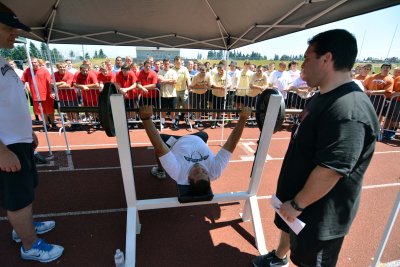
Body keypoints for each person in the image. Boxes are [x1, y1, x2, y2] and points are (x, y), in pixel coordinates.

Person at [252, 29, 379, 267]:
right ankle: (279, 258)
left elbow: (332, 169)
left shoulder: (348, 109)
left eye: (307, 58)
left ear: (326, 59)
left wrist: (298, 204)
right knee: (289, 232)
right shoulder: (322, 96)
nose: (302, 65)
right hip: (299, 205)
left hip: (319, 213)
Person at [0, 2, 64, 263]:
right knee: (18, 199)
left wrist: (28, 133)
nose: (15, 33)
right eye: (8, 28)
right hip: (7, 146)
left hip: (18, 141)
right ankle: (29, 245)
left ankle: (23, 228)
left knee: (25, 193)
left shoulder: (2, 58)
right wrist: (1, 150)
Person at [140, 105, 252, 188]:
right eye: (204, 172)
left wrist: (146, 118)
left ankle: (160, 170)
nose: (200, 168)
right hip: (198, 137)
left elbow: (159, 146)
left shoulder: (178, 173)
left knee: (160, 142)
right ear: (209, 177)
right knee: (204, 134)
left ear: (188, 179)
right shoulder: (215, 172)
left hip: (177, 142)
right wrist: (243, 119)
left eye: (196, 173)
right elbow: (231, 144)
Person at [22, 57, 58, 131]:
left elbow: (50, 82)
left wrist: (52, 92)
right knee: (41, 111)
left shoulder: (44, 71)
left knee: (50, 110)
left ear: (38, 63)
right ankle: (46, 125)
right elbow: (23, 81)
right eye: (32, 62)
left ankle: (53, 124)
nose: (33, 64)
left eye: (35, 62)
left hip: (46, 95)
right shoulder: (27, 71)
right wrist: (28, 91)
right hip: (36, 96)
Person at [158, 58, 178, 130]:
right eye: (165, 64)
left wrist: (165, 81)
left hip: (172, 94)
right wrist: (170, 80)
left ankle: (173, 122)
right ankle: (163, 122)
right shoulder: (160, 72)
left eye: (167, 64)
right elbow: (160, 81)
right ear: (163, 64)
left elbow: (175, 81)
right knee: (163, 109)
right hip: (164, 94)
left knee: (173, 109)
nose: (166, 65)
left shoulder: (173, 72)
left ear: (169, 64)